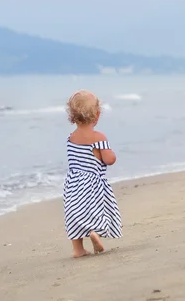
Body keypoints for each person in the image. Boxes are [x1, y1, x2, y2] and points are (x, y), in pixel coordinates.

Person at [63, 90, 122, 257]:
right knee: (95, 210)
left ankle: (78, 249)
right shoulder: (98, 137)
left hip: (73, 183)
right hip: (92, 184)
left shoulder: (71, 137)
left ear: (72, 116)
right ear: (97, 114)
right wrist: (111, 153)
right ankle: (95, 232)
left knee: (74, 213)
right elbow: (109, 159)